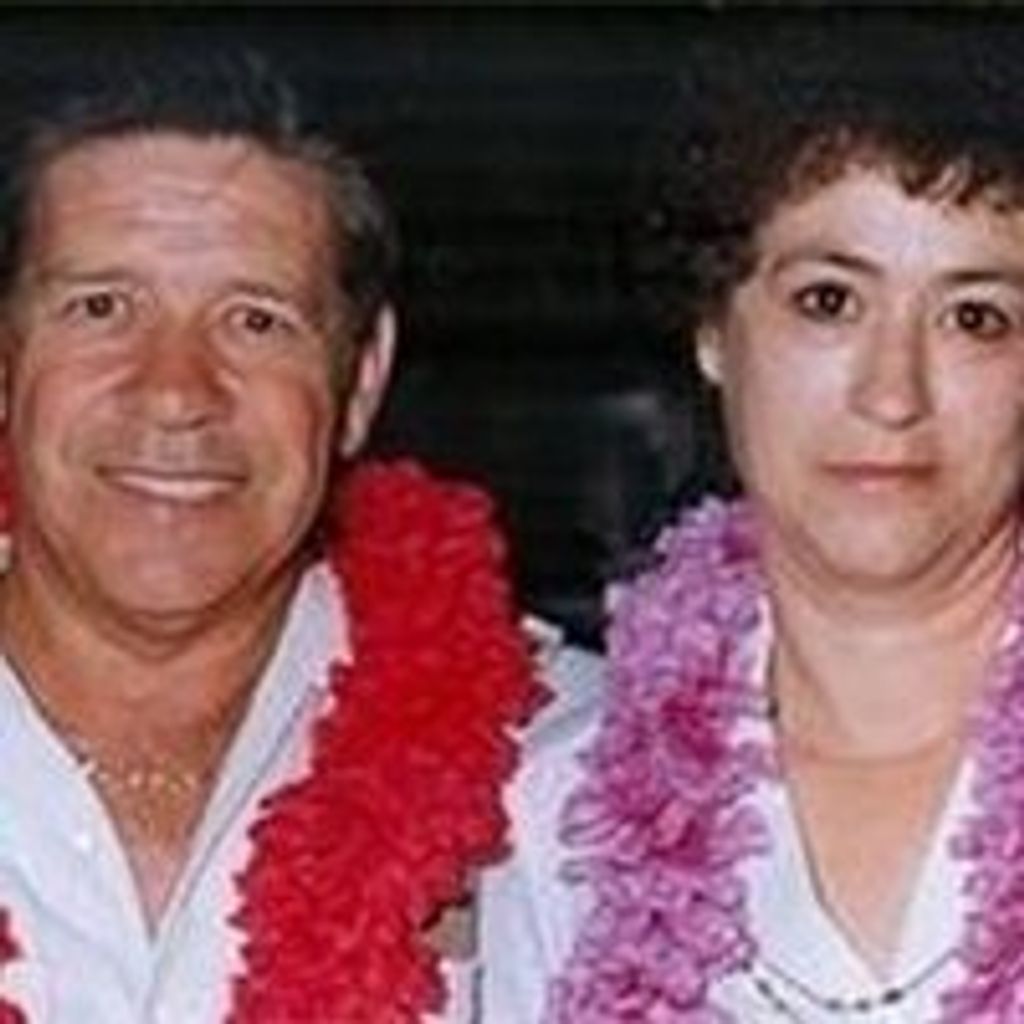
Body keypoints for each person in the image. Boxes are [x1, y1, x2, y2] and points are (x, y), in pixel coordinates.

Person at [480, 16, 1024, 1022]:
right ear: (713, 328)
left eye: (975, 317)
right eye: (828, 301)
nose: (892, 393)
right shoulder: (564, 817)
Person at [0, 46, 547, 1023]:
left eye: (255, 321)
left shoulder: (574, 774)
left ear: (361, 379)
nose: (175, 392)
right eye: (101, 308)